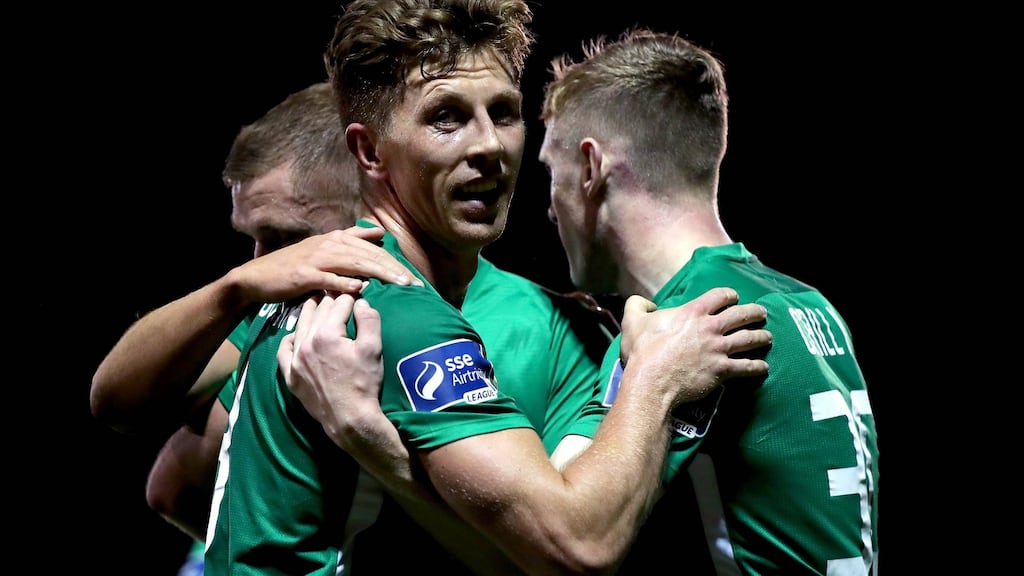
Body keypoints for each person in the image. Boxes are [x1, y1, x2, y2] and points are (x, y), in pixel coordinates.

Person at [203, 1, 772, 575]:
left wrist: (373, 445)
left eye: (503, 113)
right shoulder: (392, 314)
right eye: (446, 117)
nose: (490, 146)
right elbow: (578, 549)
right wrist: (656, 380)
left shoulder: (342, 284)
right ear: (370, 151)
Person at [294, 26, 880, 574]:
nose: (548, 207)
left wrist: (365, 433)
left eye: (552, 171)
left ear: (591, 167)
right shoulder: (810, 304)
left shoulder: (677, 332)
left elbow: (553, 540)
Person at [94, 79, 619, 573]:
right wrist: (236, 287)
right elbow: (130, 421)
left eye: (287, 237)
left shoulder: (550, 330)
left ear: (372, 190)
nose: (269, 262)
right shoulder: (293, 297)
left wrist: (370, 445)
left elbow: (551, 548)